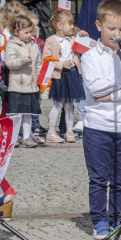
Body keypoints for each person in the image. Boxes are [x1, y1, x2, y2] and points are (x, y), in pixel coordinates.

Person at [81, 0, 121, 239]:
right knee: (99, 178)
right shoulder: (90, 56)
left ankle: (118, 218)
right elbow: (96, 90)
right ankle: (99, 220)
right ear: (99, 26)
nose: (116, 34)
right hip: (98, 126)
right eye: (111, 29)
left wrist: (113, 93)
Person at [41, 10, 84, 144]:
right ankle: (51, 131)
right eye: (70, 24)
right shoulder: (51, 40)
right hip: (59, 76)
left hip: (71, 74)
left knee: (70, 104)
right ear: (60, 25)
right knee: (57, 103)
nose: (72, 27)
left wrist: (83, 36)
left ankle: (69, 130)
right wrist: (61, 64)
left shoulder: (72, 39)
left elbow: (82, 46)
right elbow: (46, 59)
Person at [5, 16, 44, 147]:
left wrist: (40, 78)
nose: (29, 35)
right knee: (15, 113)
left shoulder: (33, 45)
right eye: (26, 32)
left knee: (28, 113)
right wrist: (22, 60)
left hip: (31, 85)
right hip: (17, 85)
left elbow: (38, 63)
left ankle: (27, 137)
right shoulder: (12, 44)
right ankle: (14, 136)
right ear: (16, 32)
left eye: (30, 32)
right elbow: (9, 63)